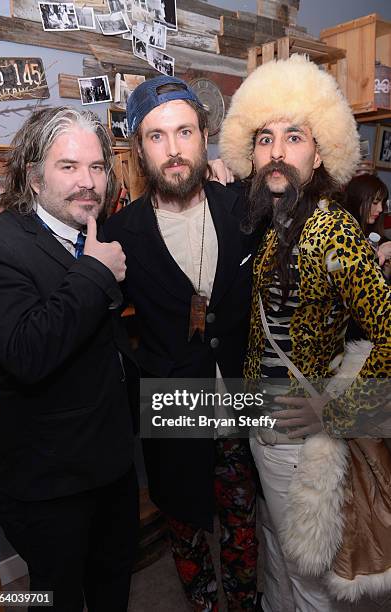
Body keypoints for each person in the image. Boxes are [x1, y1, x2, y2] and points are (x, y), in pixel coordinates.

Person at [219, 54, 391, 611]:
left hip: (298, 441)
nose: (276, 151)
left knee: (309, 578)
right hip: (263, 427)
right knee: (276, 554)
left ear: (319, 153)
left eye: (293, 137)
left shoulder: (332, 229)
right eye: (265, 138)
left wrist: (339, 413)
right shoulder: (279, 225)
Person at [103, 76, 263, 611]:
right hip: (173, 412)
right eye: (156, 136)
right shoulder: (120, 233)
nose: (173, 149)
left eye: (184, 132)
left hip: (241, 404)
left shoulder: (242, 206)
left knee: (244, 529)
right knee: (189, 536)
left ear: (204, 136)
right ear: (138, 149)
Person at [0, 107, 139, 612]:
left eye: (96, 167)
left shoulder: (101, 231)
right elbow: (27, 352)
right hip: (48, 487)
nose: (87, 182)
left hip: (112, 470)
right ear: (33, 176)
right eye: (68, 167)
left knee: (114, 585)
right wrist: (96, 271)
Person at [344, 173, 391, 274]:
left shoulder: (374, 235)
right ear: (358, 200)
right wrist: (379, 255)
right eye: (374, 203)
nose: (380, 209)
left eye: (382, 203)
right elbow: (348, 275)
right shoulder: (343, 232)